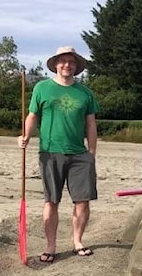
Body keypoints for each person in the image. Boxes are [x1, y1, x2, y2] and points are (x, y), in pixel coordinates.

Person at [18, 46, 99, 264]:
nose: (67, 65)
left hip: (80, 155)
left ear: (76, 66)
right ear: (55, 64)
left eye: (71, 62)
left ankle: (77, 241)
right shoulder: (42, 88)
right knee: (51, 201)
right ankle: (51, 246)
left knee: (82, 201)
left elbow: (91, 124)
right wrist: (25, 136)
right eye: (62, 61)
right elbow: (32, 116)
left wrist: (91, 153)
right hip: (50, 153)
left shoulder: (85, 93)